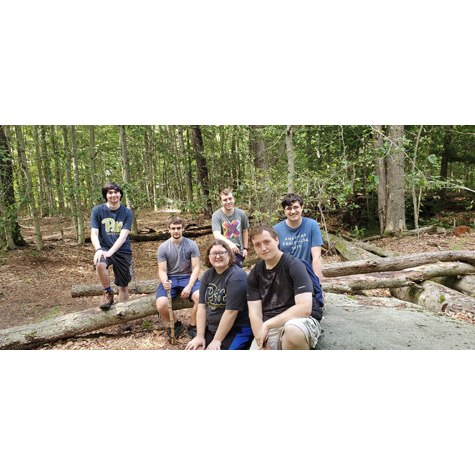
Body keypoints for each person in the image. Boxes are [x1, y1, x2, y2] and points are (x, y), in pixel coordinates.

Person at [246, 225, 323, 350]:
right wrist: (262, 340)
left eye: (267, 242)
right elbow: (254, 313)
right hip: (270, 327)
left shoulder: (294, 265)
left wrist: (267, 325)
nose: (263, 248)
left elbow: (305, 308)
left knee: (292, 332)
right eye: (258, 245)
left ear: (277, 240)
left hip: (298, 321)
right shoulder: (255, 274)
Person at [185, 240, 253, 350]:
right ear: (208, 257)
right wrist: (199, 336)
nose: (217, 256)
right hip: (213, 328)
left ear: (229, 255)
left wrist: (217, 340)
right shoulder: (208, 275)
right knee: (194, 349)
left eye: (221, 253)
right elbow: (202, 307)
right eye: (213, 253)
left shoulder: (237, 277)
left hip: (236, 329)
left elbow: (231, 312)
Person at [156, 217, 201, 341]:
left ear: (183, 229)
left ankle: (193, 326)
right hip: (171, 278)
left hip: (188, 277)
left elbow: (196, 268)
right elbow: (162, 270)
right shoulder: (163, 247)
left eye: (178, 228)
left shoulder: (191, 245)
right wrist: (165, 281)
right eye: (173, 229)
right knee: (161, 304)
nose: (176, 231)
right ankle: (176, 324)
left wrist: (190, 286)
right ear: (169, 230)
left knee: (201, 297)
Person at [90, 182, 134, 310]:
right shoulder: (97, 211)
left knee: (123, 286)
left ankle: (122, 313)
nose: (113, 195)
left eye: (116, 192)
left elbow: (123, 236)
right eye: (110, 192)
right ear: (106, 195)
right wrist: (98, 250)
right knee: (99, 263)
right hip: (103, 248)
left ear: (120, 194)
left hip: (122, 251)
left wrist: (111, 252)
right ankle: (108, 292)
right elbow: (94, 233)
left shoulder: (127, 212)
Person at [273, 193, 324, 281]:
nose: (292, 211)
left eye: (296, 207)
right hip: (286, 278)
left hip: (308, 275)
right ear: (284, 211)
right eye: (288, 208)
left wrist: (318, 285)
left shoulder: (312, 225)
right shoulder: (276, 230)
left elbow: (316, 257)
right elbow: (274, 259)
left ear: (302, 208)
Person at [211, 188, 250, 268]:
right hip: (223, 251)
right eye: (225, 200)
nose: (228, 202)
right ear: (221, 202)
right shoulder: (216, 215)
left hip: (238, 252)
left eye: (230, 198)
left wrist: (245, 248)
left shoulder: (241, 213)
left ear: (234, 199)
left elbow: (245, 231)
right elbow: (217, 235)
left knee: (236, 275)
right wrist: (230, 244)